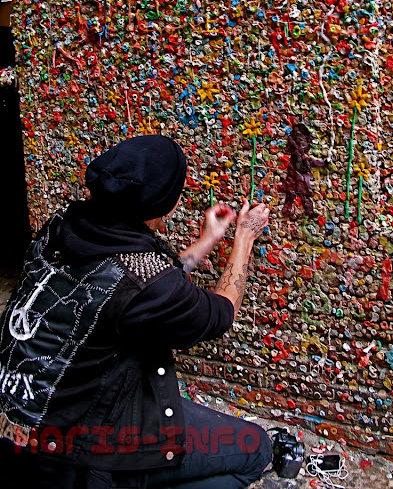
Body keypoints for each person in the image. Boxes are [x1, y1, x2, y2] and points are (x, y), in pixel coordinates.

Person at [0, 135, 272, 489]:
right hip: (79, 451)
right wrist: (244, 240)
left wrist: (206, 242)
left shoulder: (62, 226)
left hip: (26, 421)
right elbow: (220, 311)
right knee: (256, 451)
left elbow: (141, 283)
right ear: (167, 206)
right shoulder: (145, 280)